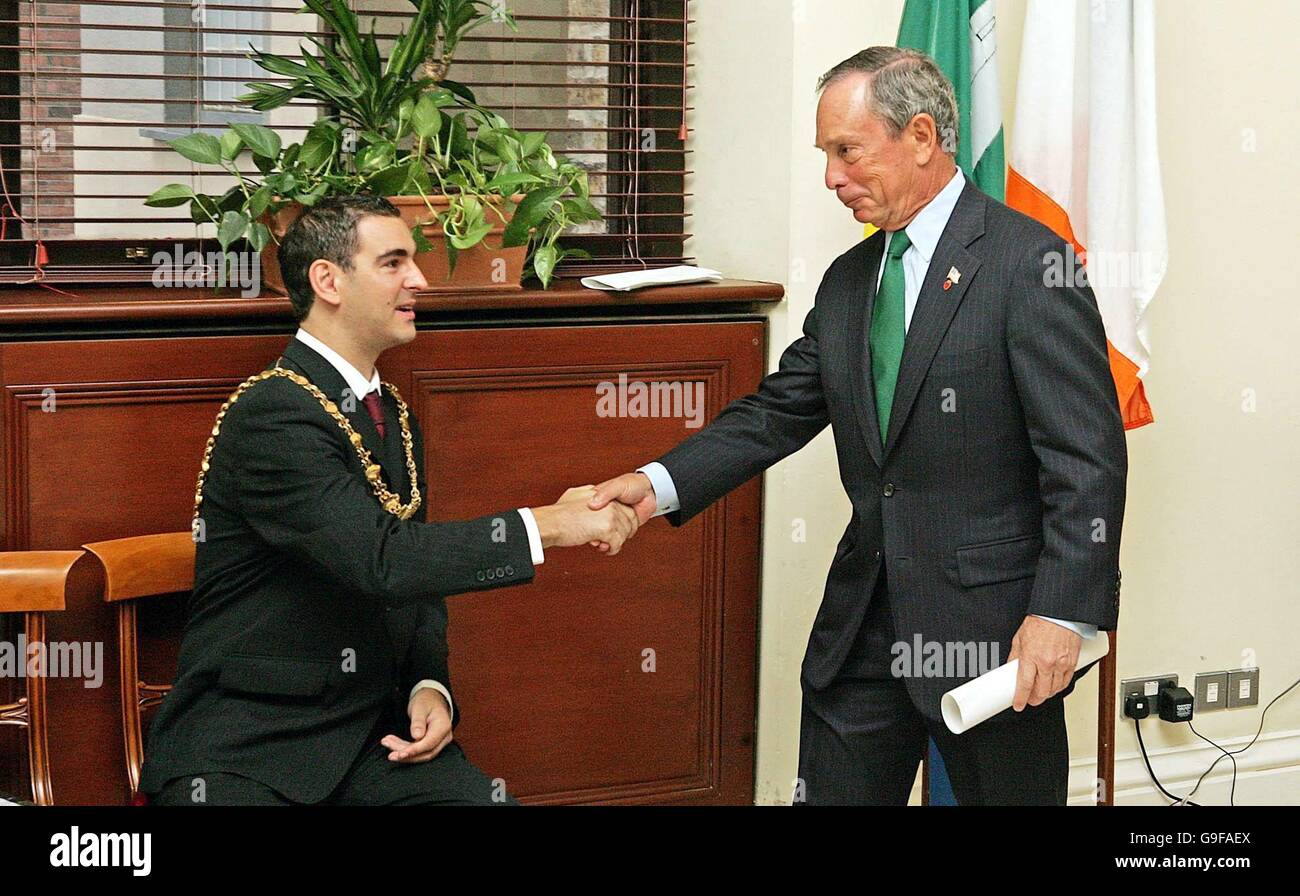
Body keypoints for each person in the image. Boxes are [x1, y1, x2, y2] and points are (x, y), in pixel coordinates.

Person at [589, 47, 1127, 805]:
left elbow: (1087, 460)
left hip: (996, 633)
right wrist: (654, 487)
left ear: (919, 136)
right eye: (826, 155)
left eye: (847, 151)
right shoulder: (850, 279)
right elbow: (777, 412)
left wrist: (1059, 614)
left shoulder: (1028, 264)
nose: (832, 178)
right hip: (863, 628)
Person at [141, 194, 640, 805]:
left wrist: (429, 684)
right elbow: (384, 560)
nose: (420, 279)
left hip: (372, 739)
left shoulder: (391, 413)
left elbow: (415, 579)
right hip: (250, 751)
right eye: (393, 262)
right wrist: (545, 526)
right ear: (328, 280)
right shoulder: (272, 414)